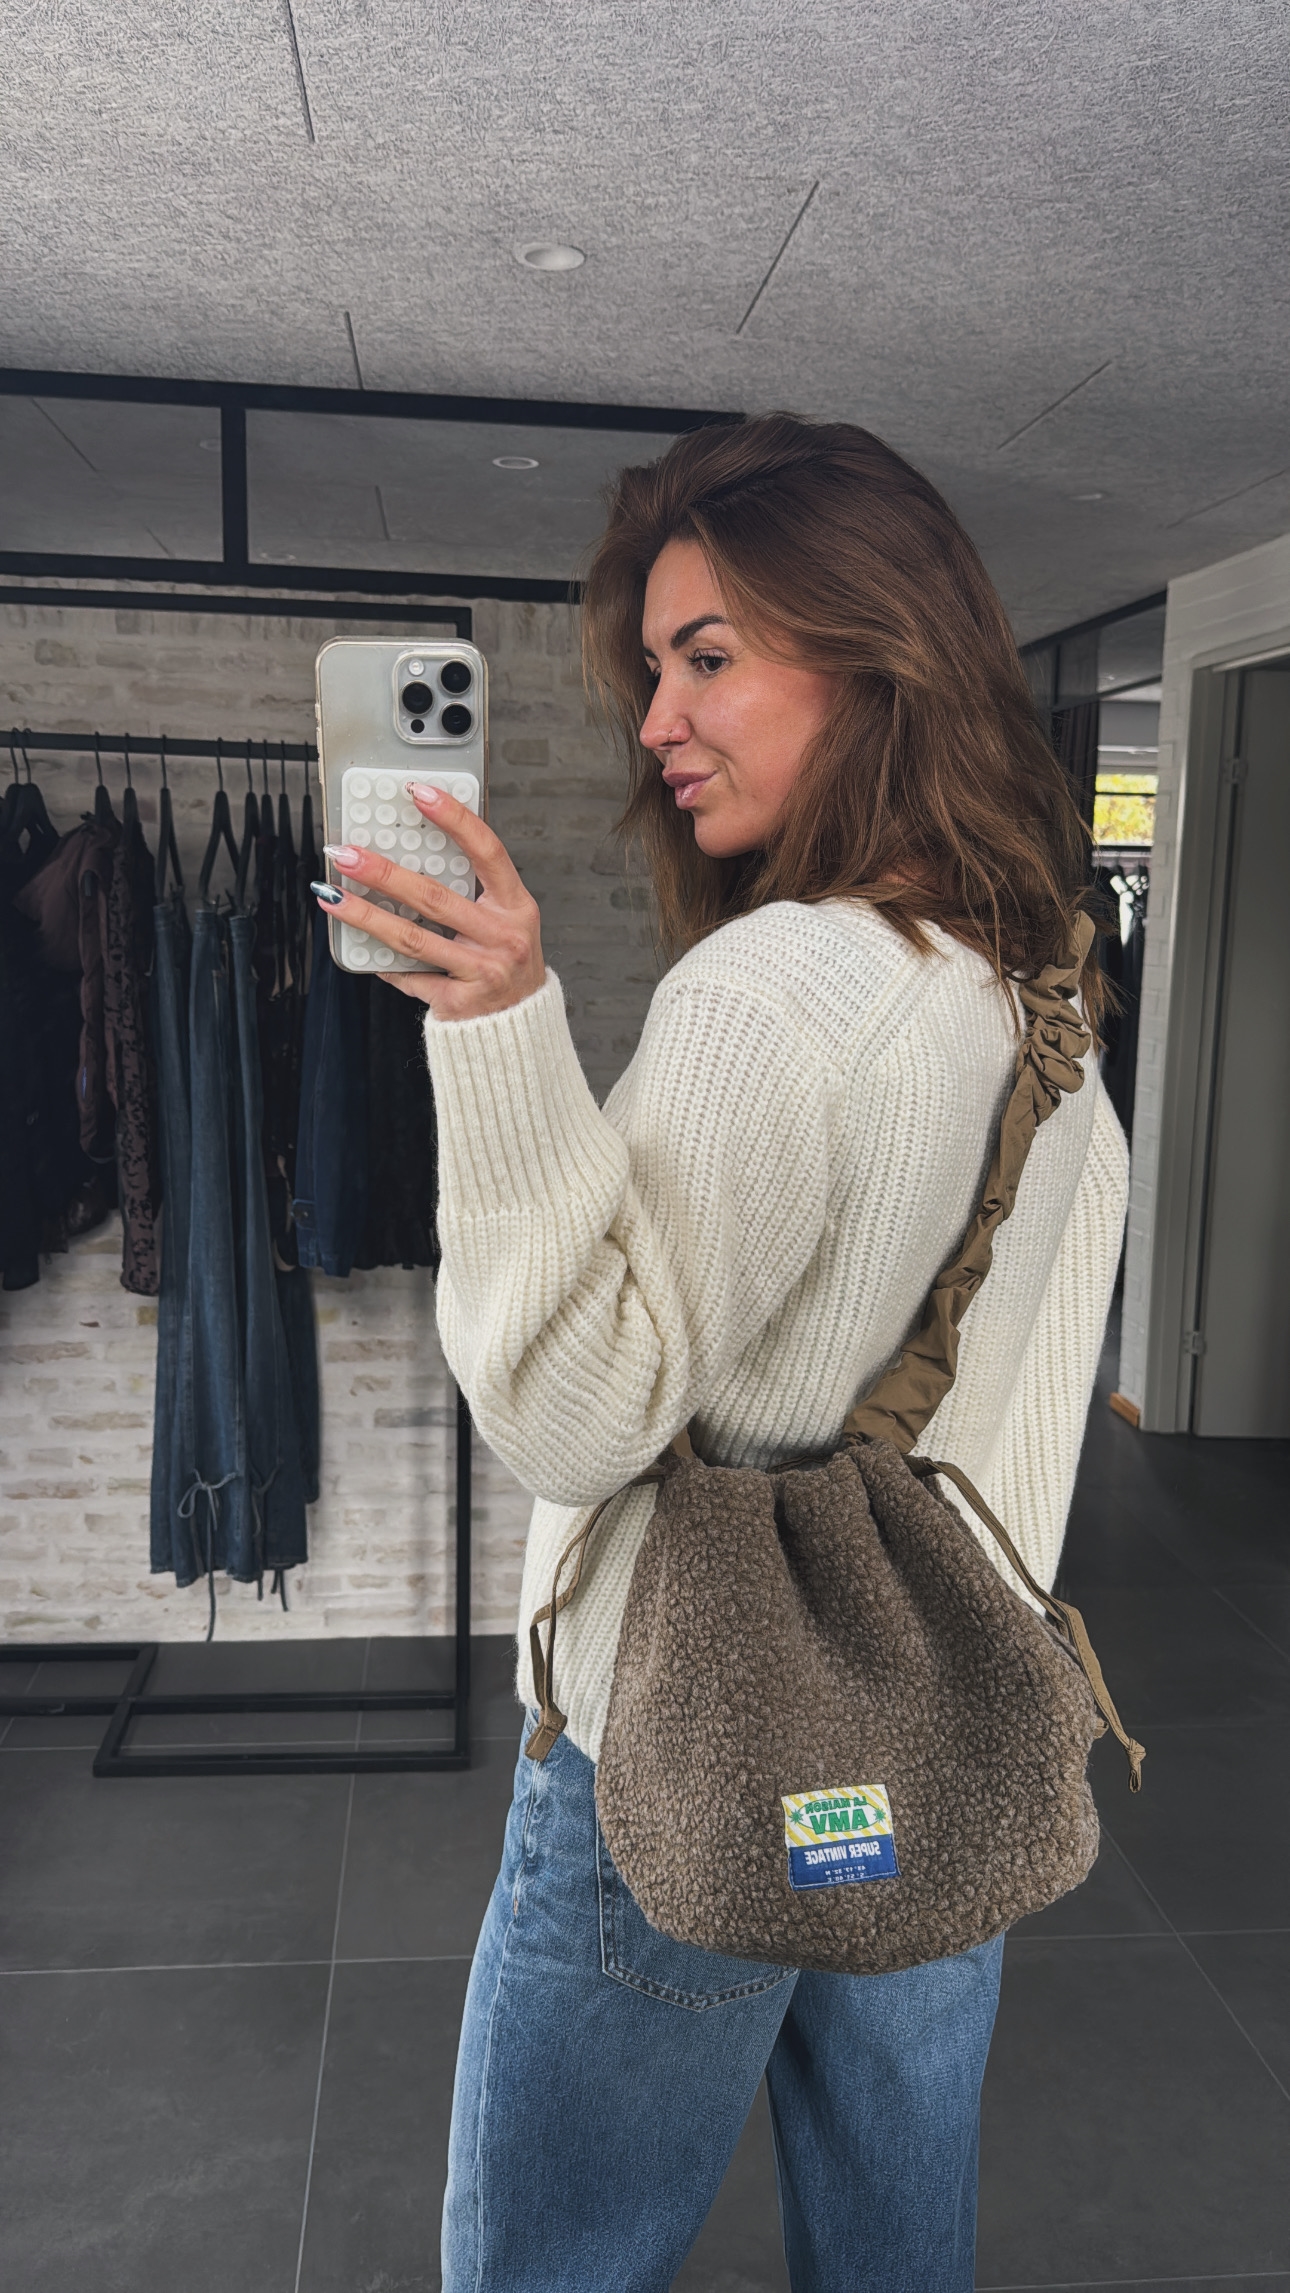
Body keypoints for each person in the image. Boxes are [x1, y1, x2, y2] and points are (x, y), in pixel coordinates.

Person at [313, 414, 1128, 2292]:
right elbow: (1029, 1370)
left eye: (709, 657)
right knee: (895, 2245)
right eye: (653, 669)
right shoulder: (1041, 979)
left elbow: (570, 1418)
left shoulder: (776, 989)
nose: (658, 721)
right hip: (943, 1705)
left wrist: (498, 1029)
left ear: (876, 652)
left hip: (688, 1726)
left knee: (553, 2260)